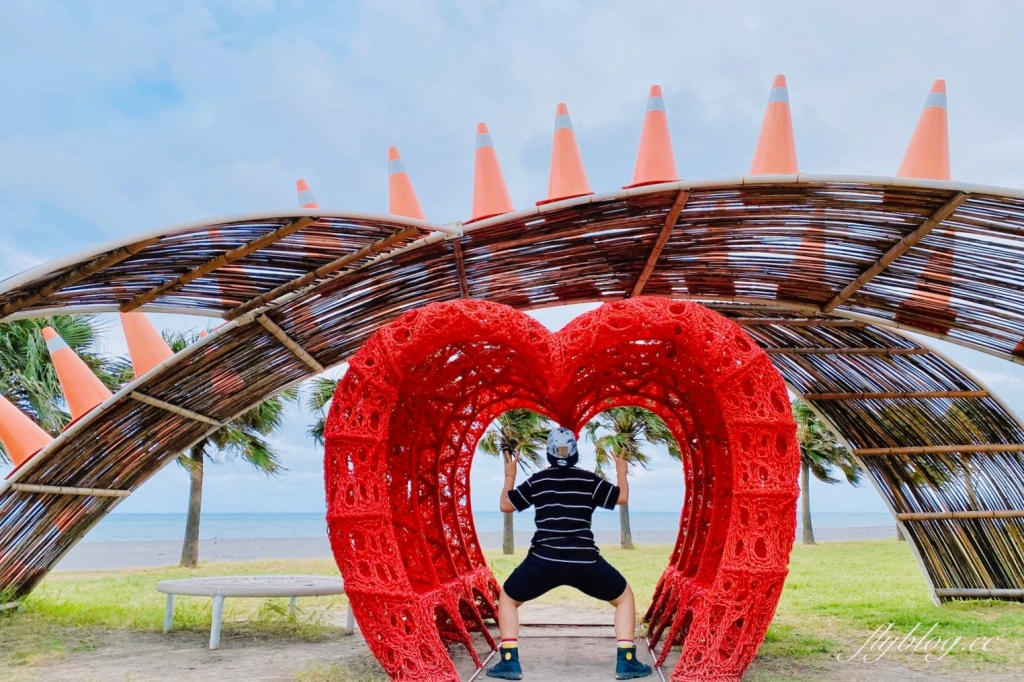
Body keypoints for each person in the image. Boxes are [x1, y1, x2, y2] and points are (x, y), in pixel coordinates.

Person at [486, 426, 652, 680]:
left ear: (549, 455)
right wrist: (620, 470)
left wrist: (510, 476)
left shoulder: (539, 480)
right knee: (624, 598)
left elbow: (505, 505)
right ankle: (626, 661)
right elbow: (622, 497)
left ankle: (509, 662)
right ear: (574, 455)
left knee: (508, 598)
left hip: (543, 560)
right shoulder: (588, 480)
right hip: (584, 561)